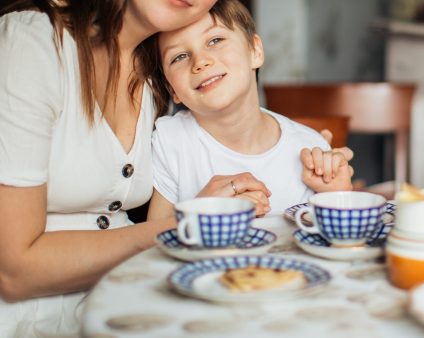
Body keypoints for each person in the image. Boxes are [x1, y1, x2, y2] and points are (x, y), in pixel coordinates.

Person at [0, 1, 276, 336]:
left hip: (121, 308)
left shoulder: (156, 71)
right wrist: (184, 228)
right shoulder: (33, 42)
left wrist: (299, 148)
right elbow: (13, 272)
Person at [146, 0, 354, 219]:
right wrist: (201, 211)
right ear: (172, 89)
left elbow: (335, 242)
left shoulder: (311, 149)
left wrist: (337, 197)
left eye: (215, 40)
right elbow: (152, 242)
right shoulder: (171, 141)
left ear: (255, 51)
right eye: (179, 56)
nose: (200, 61)